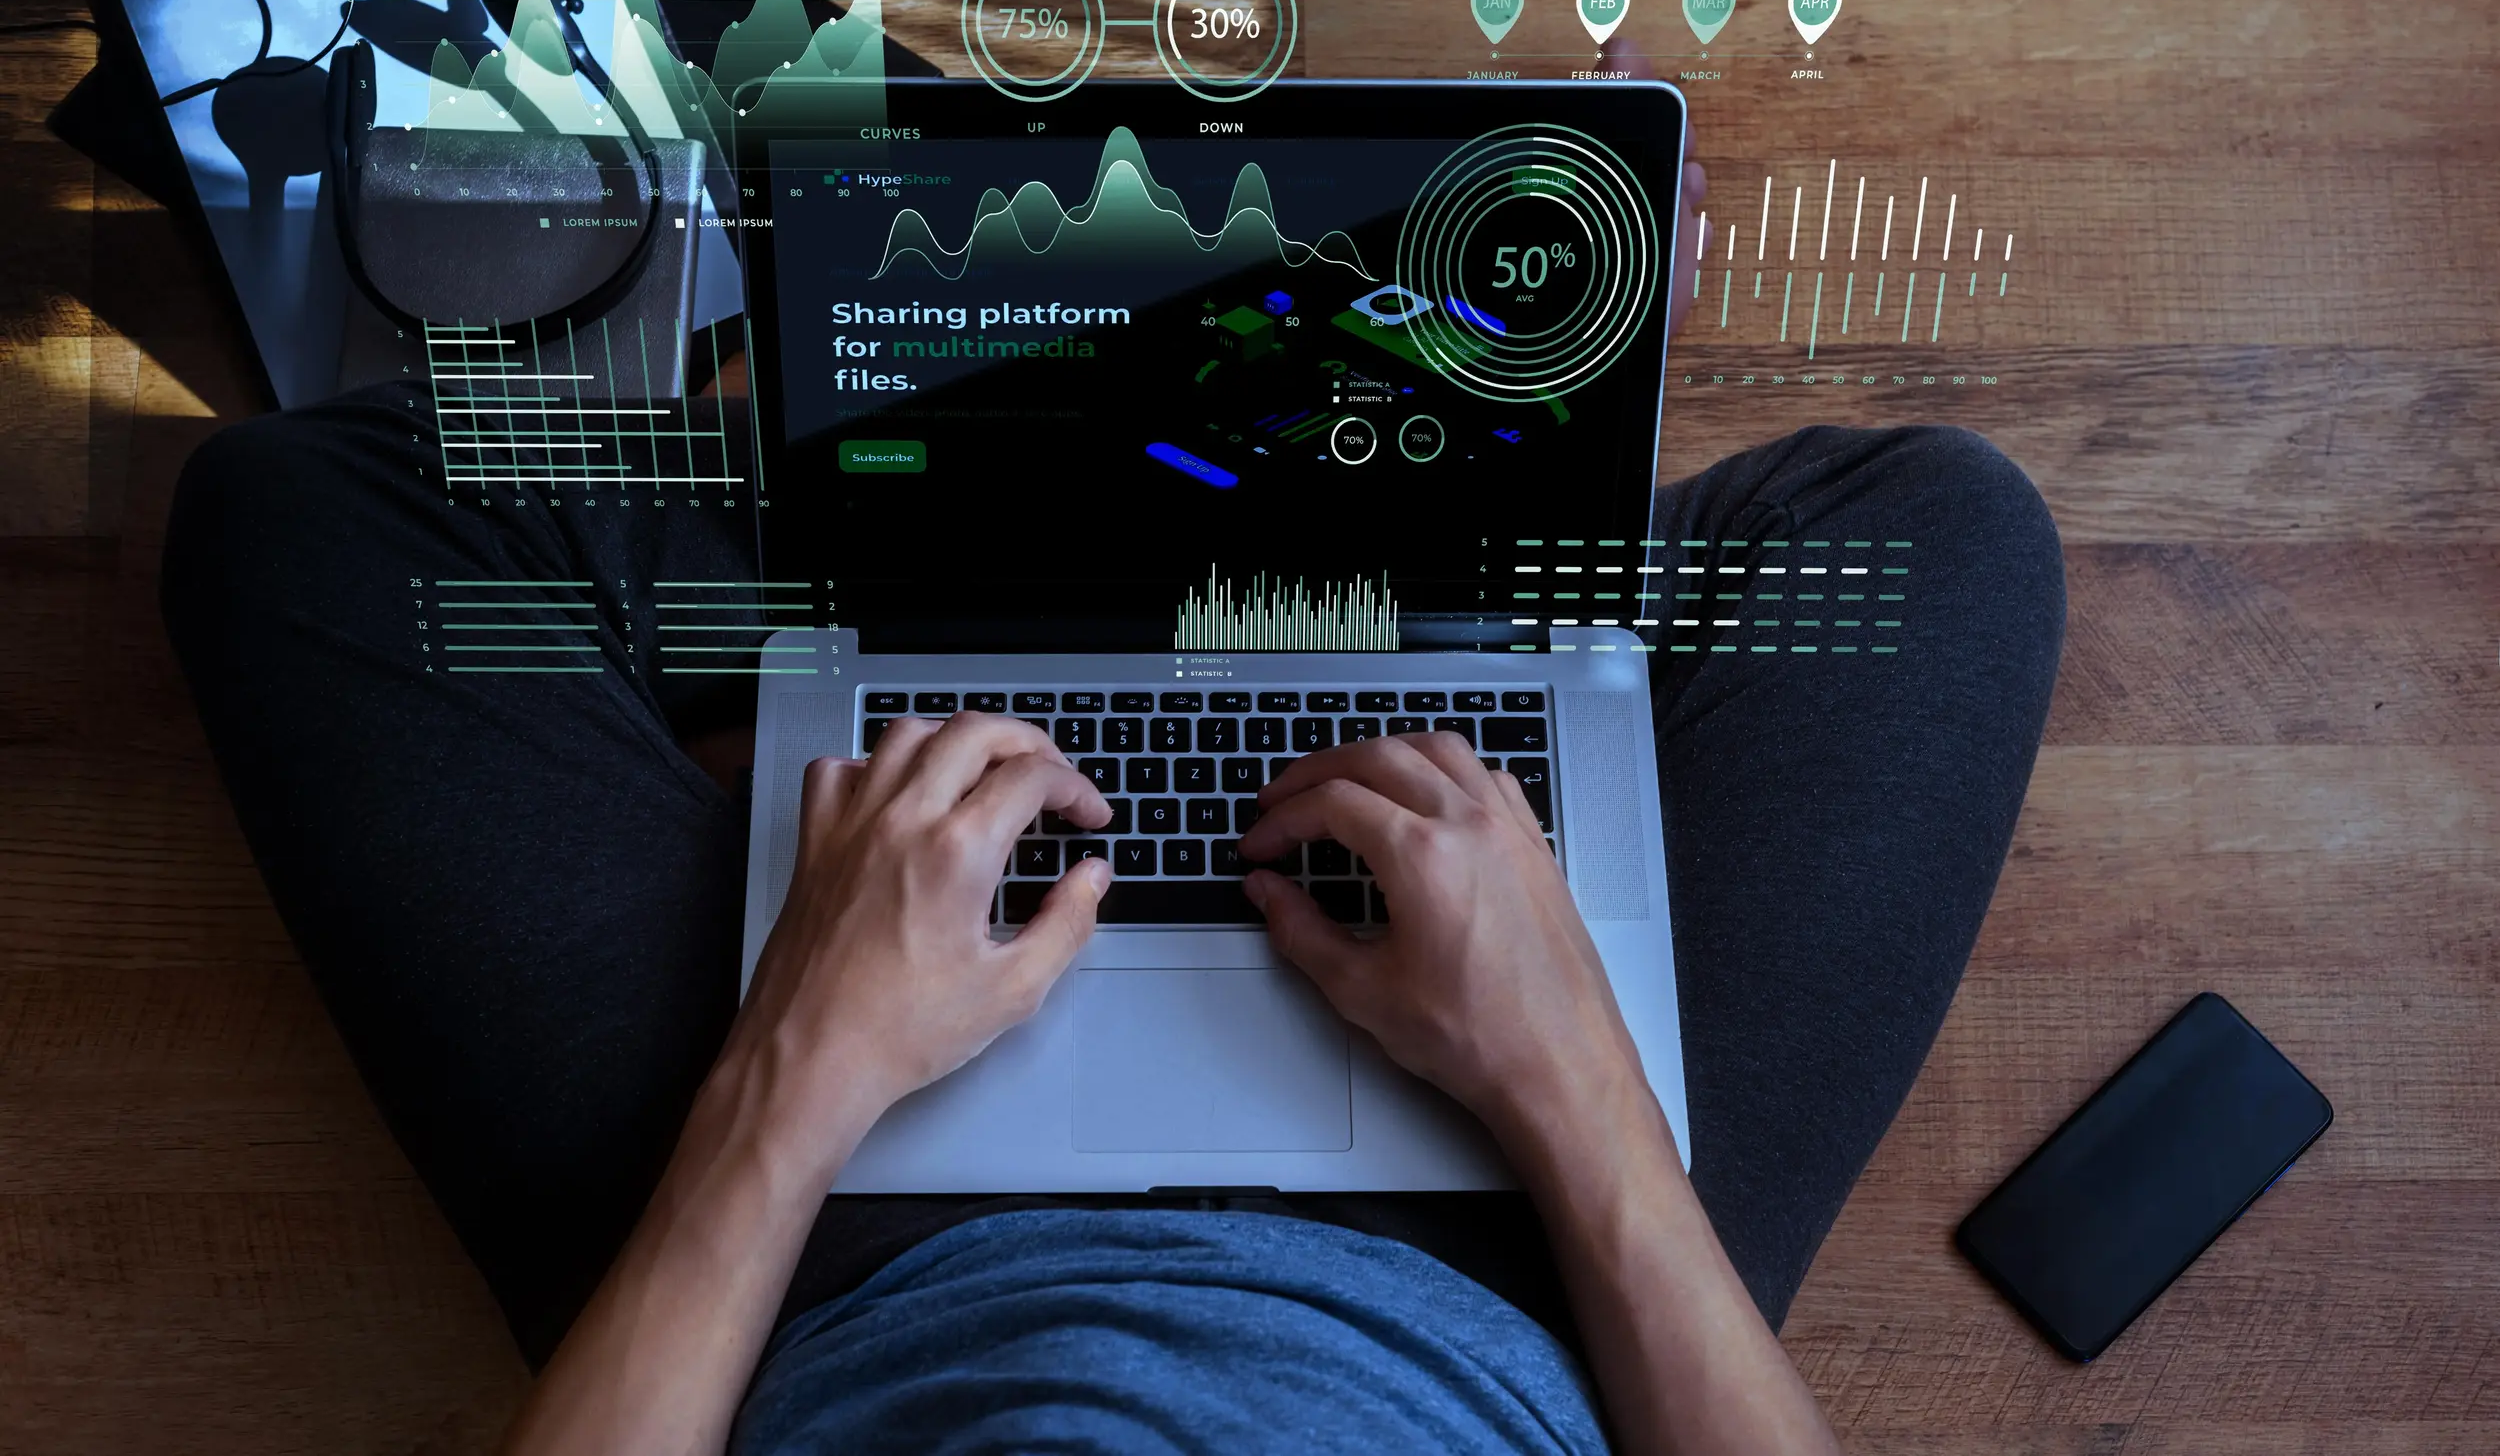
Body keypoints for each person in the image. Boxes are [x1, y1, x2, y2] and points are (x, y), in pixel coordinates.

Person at [160, 158, 2066, 1453]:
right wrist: (1577, 1090)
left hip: (824, 1265)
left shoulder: (794, 1139)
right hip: (1524, 1270)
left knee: (300, 527)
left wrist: (787, 1085)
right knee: (1934, 538)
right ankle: (1344, 508)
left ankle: (1025, 484)